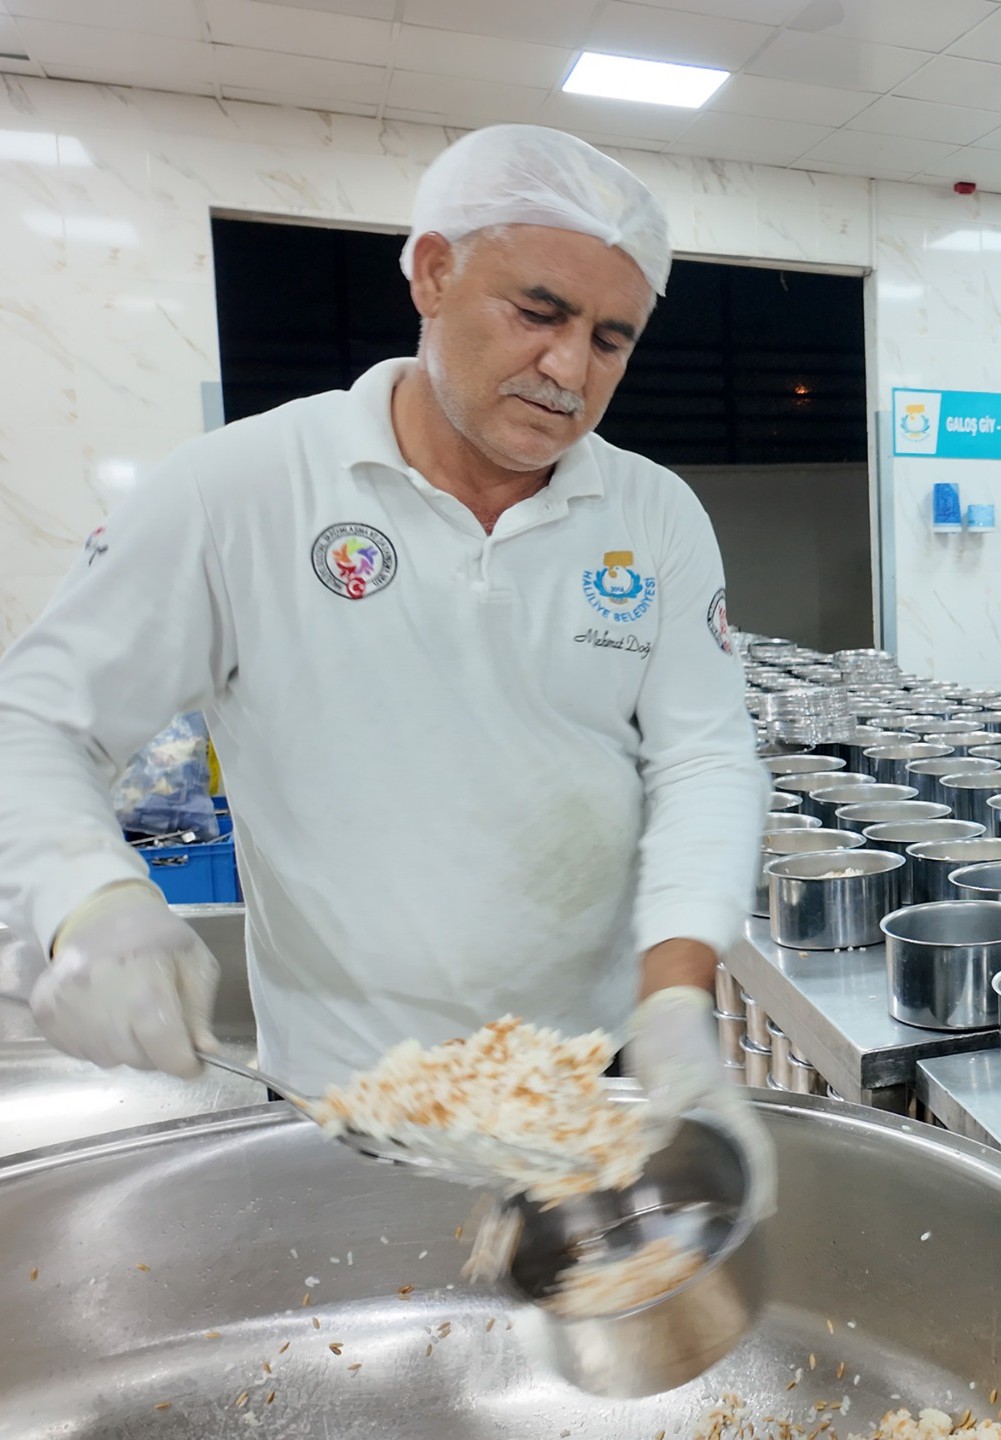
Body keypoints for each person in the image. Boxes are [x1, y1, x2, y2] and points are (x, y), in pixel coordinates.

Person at [0, 125, 767, 1142]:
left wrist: (675, 996)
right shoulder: (238, 491)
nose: (569, 366)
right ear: (434, 272)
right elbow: (37, 720)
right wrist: (89, 902)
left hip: (592, 1073)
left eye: (612, 337)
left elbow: (706, 758)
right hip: (345, 1097)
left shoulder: (653, 514)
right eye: (538, 311)